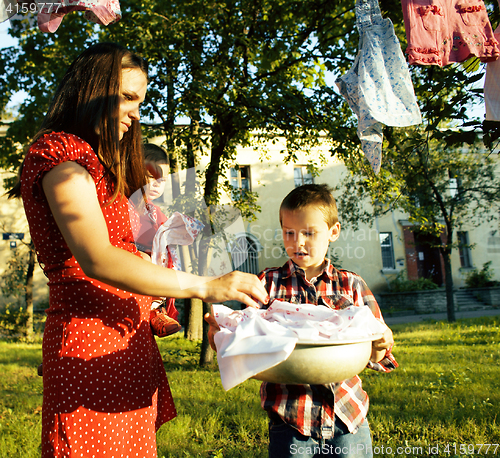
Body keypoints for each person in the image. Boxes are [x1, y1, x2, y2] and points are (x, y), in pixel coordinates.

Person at [7, 42, 268, 458]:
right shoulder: (59, 155)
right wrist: (206, 285)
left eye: (140, 101)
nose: (135, 113)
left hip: (126, 344)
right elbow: (97, 258)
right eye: (128, 97)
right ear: (93, 91)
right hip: (90, 343)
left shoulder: (96, 163)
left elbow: (120, 248)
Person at [257, 184, 397, 458]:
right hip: (291, 418)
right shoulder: (266, 284)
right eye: (289, 232)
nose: (298, 242)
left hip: (347, 415)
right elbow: (246, 345)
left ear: (333, 232)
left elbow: (377, 352)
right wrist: (221, 337)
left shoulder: (351, 284)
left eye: (309, 233)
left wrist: (381, 344)